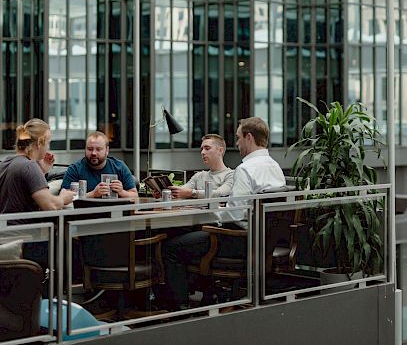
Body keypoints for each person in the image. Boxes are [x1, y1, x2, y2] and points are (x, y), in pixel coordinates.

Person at [163, 117, 285, 309]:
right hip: (262, 241)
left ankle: (179, 307)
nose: (237, 143)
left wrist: (215, 211)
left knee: (172, 247)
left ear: (249, 137)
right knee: (190, 237)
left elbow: (234, 215)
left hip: (237, 240)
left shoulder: (246, 169)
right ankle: (207, 295)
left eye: (238, 138)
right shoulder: (275, 167)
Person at [0, 118, 75, 217]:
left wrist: (43, 170)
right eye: (48, 142)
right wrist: (63, 198)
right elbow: (50, 205)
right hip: (24, 231)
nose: (48, 147)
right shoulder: (30, 166)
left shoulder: (6, 163)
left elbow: (22, 192)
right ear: (39, 143)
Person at [62, 131, 138, 198]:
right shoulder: (75, 169)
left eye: (98, 149)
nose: (93, 153)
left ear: (107, 150)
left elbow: (134, 195)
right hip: (85, 213)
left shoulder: (120, 167)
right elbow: (64, 197)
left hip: (115, 212)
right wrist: (93, 194)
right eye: (90, 149)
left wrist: (122, 192)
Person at [169, 134, 234, 199]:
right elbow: (182, 190)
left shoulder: (231, 175)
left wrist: (191, 193)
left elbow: (219, 193)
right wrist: (172, 191)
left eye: (207, 148)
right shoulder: (199, 176)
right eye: (202, 149)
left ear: (220, 150)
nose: (202, 152)